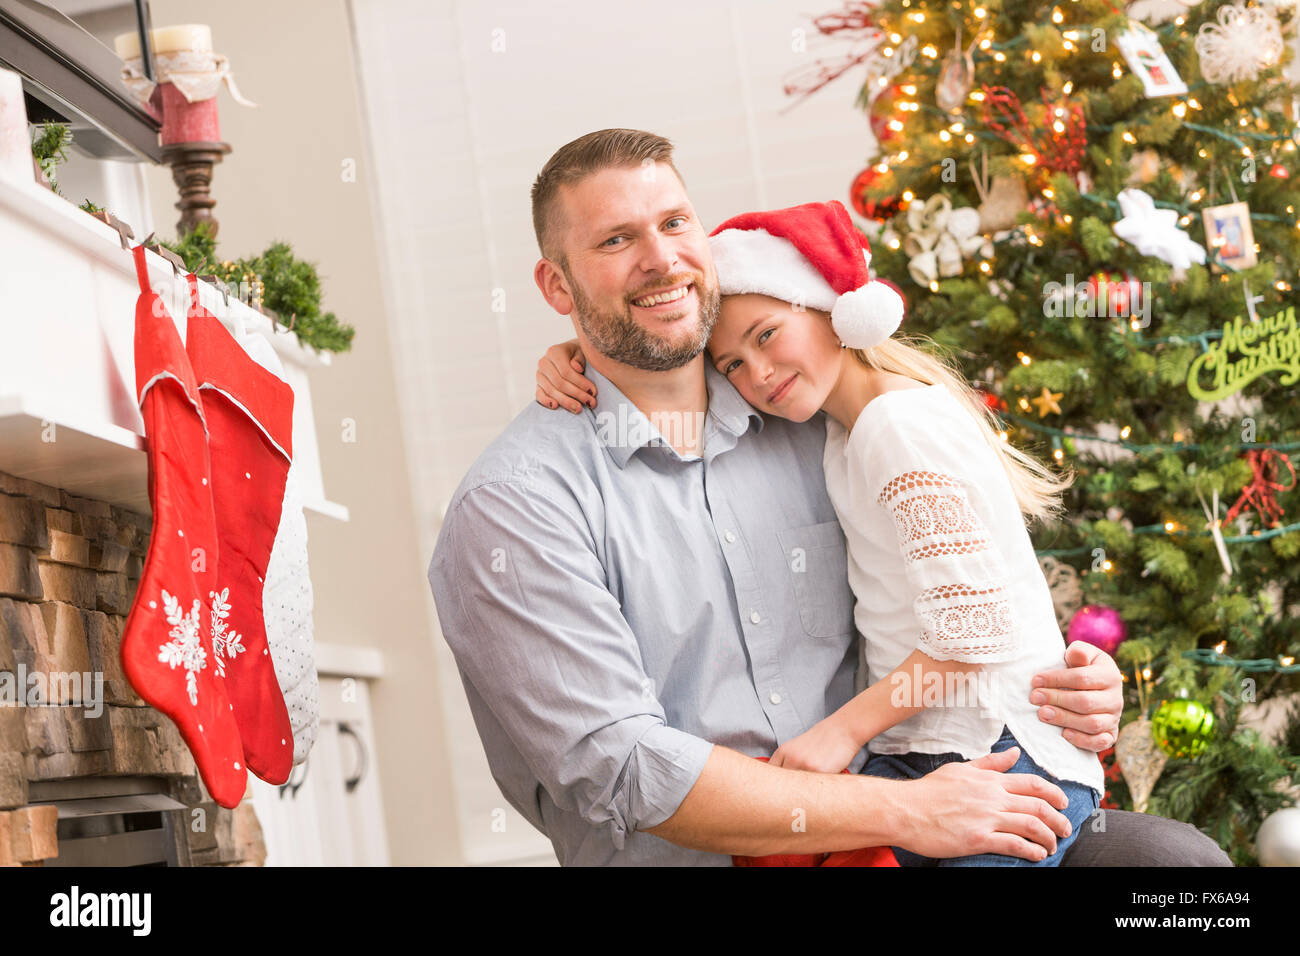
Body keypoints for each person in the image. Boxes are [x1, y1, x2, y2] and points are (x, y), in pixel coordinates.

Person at [430, 128, 1230, 866]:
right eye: (614, 240)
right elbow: (629, 769)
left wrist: (1066, 676)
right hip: (784, 838)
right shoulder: (516, 508)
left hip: (928, 783)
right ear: (556, 285)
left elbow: (965, 589)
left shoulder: (809, 416)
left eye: (675, 224)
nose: (660, 258)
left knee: (1178, 875)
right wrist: (898, 811)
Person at [545, 199, 1105, 866]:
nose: (757, 376)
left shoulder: (894, 426)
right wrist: (576, 350)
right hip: (929, 754)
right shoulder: (840, 431)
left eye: (766, 335)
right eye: (732, 367)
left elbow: (971, 635)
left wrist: (840, 733)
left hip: (997, 750)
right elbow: (659, 360)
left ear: (827, 308)